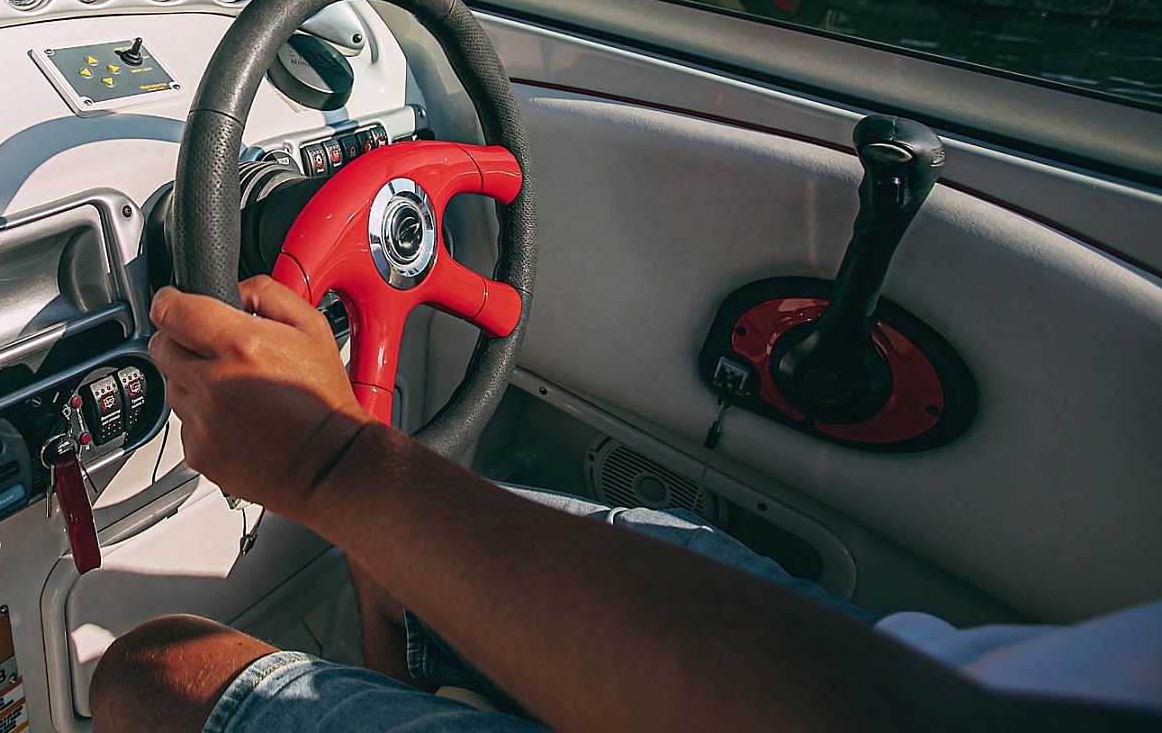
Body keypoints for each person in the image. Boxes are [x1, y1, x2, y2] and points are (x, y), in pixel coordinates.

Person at [91, 276, 1162, 733]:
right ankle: (407, 672)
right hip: (896, 666)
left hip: (861, 704)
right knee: (445, 526)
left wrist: (333, 463)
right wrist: (349, 467)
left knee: (150, 673)